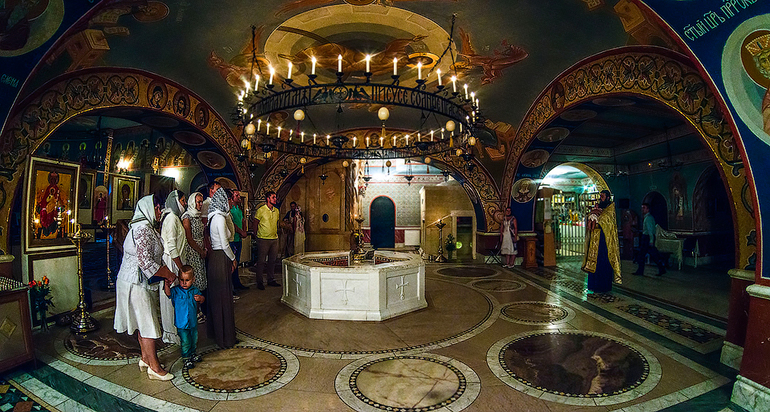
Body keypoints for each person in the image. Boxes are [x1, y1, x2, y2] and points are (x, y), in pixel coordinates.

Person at [113, 195, 176, 381]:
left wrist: (164, 272)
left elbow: (154, 256)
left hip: (136, 282)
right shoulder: (142, 229)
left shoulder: (146, 227)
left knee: (143, 322)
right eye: (156, 208)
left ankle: (145, 359)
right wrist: (167, 274)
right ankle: (154, 367)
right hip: (135, 283)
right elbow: (146, 262)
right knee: (148, 322)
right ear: (148, 208)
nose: (159, 211)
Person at [206, 187, 237, 348]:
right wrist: (233, 259)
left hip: (217, 257)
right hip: (220, 257)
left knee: (220, 297)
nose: (230, 203)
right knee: (223, 297)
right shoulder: (219, 218)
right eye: (229, 199)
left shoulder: (217, 216)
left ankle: (220, 333)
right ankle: (224, 337)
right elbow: (225, 244)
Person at [159, 190, 187, 344]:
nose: (184, 203)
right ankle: (171, 333)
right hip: (172, 262)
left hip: (175, 261)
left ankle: (177, 329)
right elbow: (171, 245)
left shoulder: (176, 218)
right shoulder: (171, 218)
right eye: (182, 200)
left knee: (176, 298)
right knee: (170, 297)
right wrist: (180, 267)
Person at [163, 265, 204, 370]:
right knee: (185, 341)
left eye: (187, 280)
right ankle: (186, 357)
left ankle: (193, 353)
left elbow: (202, 299)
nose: (184, 283)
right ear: (178, 279)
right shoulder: (176, 291)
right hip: (181, 323)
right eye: (182, 280)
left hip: (193, 322)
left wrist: (200, 298)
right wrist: (166, 285)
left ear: (193, 280)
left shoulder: (195, 290)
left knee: (194, 339)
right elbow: (168, 293)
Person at [581, 190, 621, 293]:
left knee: (603, 262)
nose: (600, 199)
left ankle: (603, 286)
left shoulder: (610, 209)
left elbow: (607, 221)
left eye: (602, 197)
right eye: (600, 196)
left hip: (605, 241)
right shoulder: (599, 208)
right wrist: (592, 215)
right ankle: (593, 285)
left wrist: (598, 216)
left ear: (607, 198)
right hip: (595, 239)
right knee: (593, 261)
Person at [182, 192, 207, 323]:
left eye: (201, 201)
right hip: (193, 252)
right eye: (198, 202)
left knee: (200, 281)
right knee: (194, 281)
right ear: (192, 202)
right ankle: (193, 312)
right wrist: (199, 250)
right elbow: (189, 238)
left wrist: (204, 249)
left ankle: (198, 309)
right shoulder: (187, 217)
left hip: (200, 251)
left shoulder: (198, 216)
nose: (200, 204)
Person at [252, 191, 281, 289]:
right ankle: (259, 281)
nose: (275, 199)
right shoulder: (261, 210)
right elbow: (255, 222)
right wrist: (256, 235)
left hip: (274, 239)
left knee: (272, 260)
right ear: (268, 199)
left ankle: (271, 279)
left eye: (275, 197)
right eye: (273, 197)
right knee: (261, 261)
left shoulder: (276, 211)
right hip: (263, 239)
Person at [634, 203, 666, 276]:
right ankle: (661, 268)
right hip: (648, 237)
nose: (642, 209)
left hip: (647, 238)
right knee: (653, 254)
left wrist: (651, 240)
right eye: (642, 208)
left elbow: (650, 230)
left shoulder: (648, 218)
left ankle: (640, 271)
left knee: (642, 255)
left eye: (644, 208)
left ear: (648, 209)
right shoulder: (649, 217)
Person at [228, 189, 249, 291]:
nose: (239, 197)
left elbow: (243, 221)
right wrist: (241, 232)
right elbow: (233, 224)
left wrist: (244, 231)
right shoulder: (230, 210)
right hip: (233, 239)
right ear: (231, 198)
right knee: (233, 262)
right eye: (237, 196)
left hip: (239, 239)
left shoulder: (239, 209)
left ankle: (237, 283)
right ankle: (232, 286)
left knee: (237, 261)